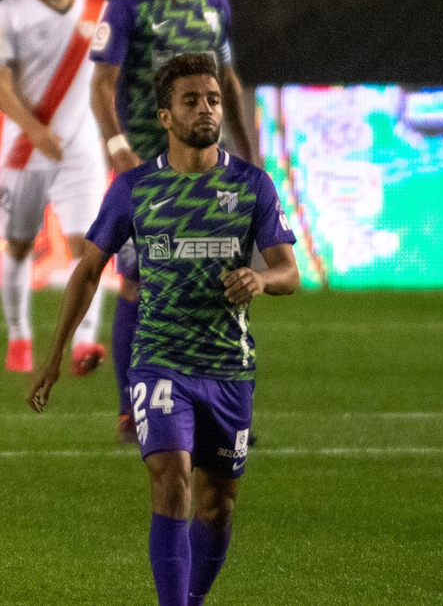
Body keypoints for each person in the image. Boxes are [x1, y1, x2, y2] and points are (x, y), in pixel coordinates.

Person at [29, 54, 297, 606]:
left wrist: (261, 279)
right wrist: (55, 355)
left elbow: (289, 270)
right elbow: (86, 272)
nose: (206, 109)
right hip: (160, 360)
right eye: (192, 101)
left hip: (228, 368)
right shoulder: (134, 189)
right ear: (166, 117)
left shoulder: (252, 185)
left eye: (215, 100)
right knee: (169, 477)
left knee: (217, 503)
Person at [89, 0, 258, 440]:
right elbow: (102, 85)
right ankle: (129, 412)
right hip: (148, 170)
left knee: (218, 281)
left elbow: (227, 81)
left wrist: (249, 152)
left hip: (208, 169)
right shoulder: (129, 8)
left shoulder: (215, 5)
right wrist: (118, 148)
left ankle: (216, 411)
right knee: (139, 283)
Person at [0, 0, 108, 374]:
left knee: (90, 247)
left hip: (82, 151)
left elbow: (111, 77)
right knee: (18, 246)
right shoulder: (8, 12)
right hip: (26, 148)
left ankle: (85, 343)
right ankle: (19, 338)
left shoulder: (99, 10)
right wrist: (34, 130)